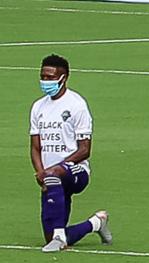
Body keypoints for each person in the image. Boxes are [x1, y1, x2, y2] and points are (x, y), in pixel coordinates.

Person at [29, 54, 112, 252]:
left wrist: (57, 168)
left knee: (53, 175)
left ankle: (59, 238)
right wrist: (41, 172)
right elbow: (35, 146)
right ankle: (96, 223)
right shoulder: (37, 107)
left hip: (76, 172)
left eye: (50, 77)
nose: (45, 81)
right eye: (43, 76)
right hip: (50, 178)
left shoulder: (76, 105)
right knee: (48, 237)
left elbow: (85, 150)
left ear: (63, 78)